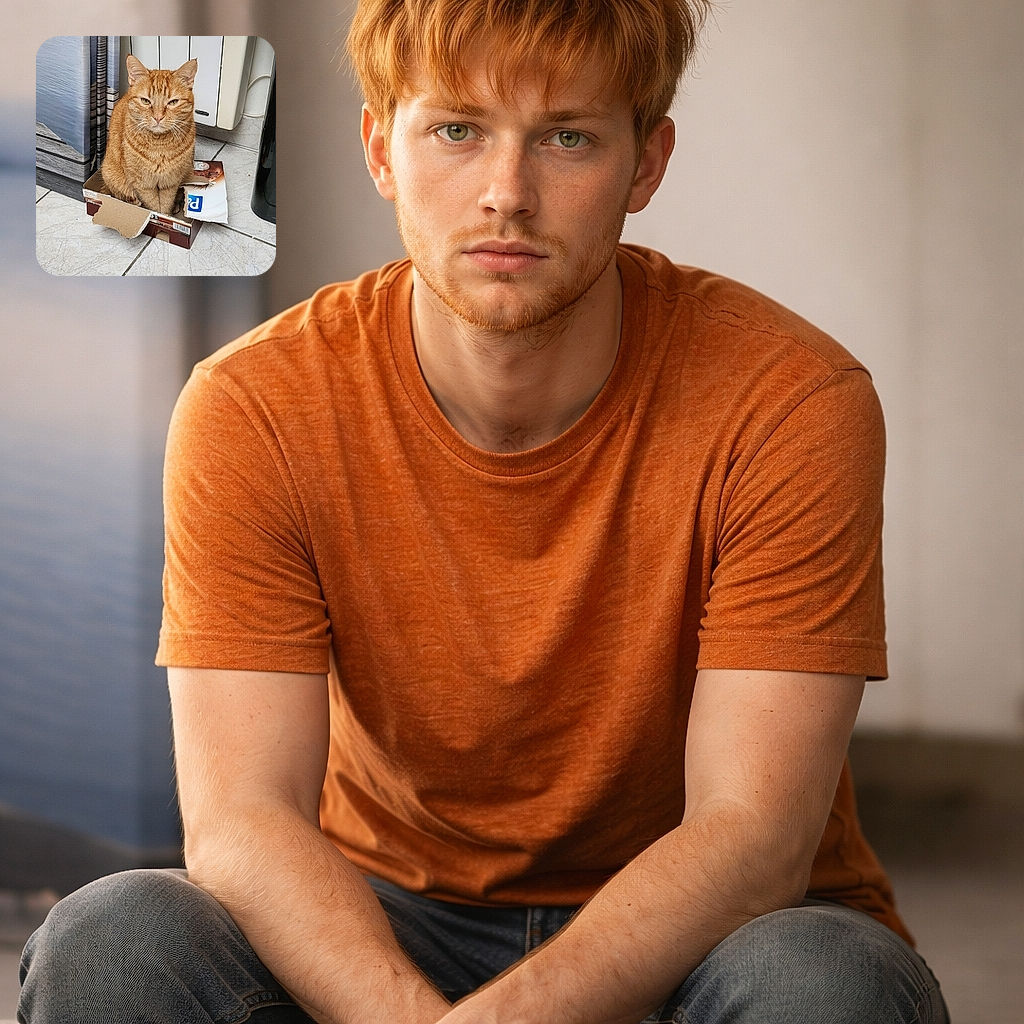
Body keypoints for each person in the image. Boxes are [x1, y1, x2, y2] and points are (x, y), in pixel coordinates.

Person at [20, 1, 949, 1021]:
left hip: (714, 931)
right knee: (110, 940)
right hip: (389, 910)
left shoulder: (788, 400)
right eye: (456, 130)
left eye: (567, 137)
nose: (508, 194)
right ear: (382, 148)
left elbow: (753, 833)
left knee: (822, 986)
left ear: (645, 164)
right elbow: (243, 819)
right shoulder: (254, 405)